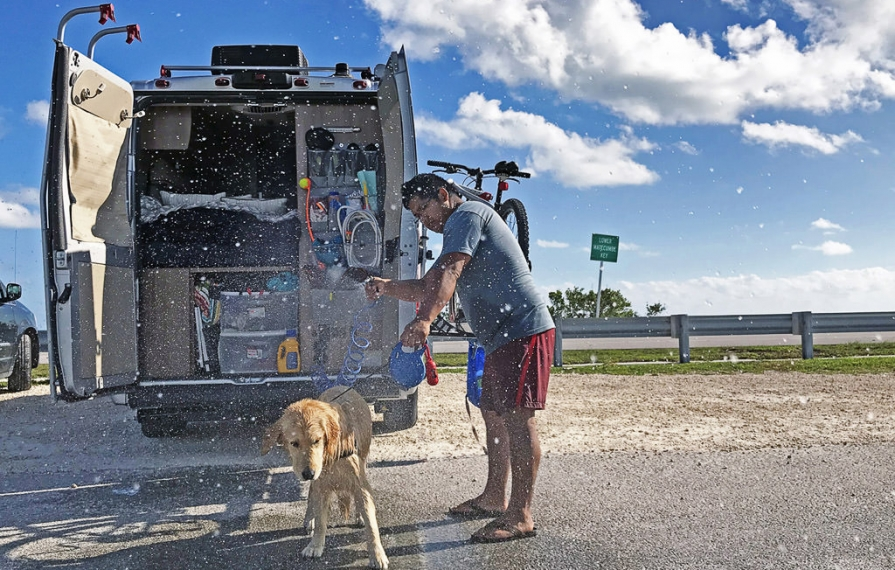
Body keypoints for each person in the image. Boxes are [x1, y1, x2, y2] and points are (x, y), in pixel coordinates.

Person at [365, 173, 555, 543]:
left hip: (523, 329)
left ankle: (520, 515)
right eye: (417, 218)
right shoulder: (457, 230)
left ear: (442, 194)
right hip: (500, 337)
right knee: (493, 412)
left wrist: (424, 319)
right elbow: (428, 285)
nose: (425, 222)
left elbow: (451, 272)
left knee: (518, 419)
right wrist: (386, 288)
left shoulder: (467, 214)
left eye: (425, 210)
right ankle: (494, 497)